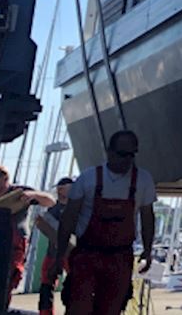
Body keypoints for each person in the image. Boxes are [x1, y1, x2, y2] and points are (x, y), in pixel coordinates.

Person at [53, 130, 157, 315]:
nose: (126, 160)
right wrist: (59, 255)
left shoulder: (143, 179)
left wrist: (148, 251)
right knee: (78, 307)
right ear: (109, 152)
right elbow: (69, 218)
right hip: (87, 254)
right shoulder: (88, 178)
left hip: (119, 257)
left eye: (131, 155)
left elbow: (147, 218)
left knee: (112, 309)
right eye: (121, 154)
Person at [0, 164, 55, 310]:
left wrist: (33, 196)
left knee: (11, 276)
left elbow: (50, 201)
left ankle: (2, 307)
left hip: (16, 242)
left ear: (5, 179)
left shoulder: (21, 193)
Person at [32, 176, 75, 315]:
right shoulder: (53, 209)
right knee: (46, 286)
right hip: (53, 253)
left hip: (72, 254)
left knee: (74, 287)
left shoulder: (78, 207)